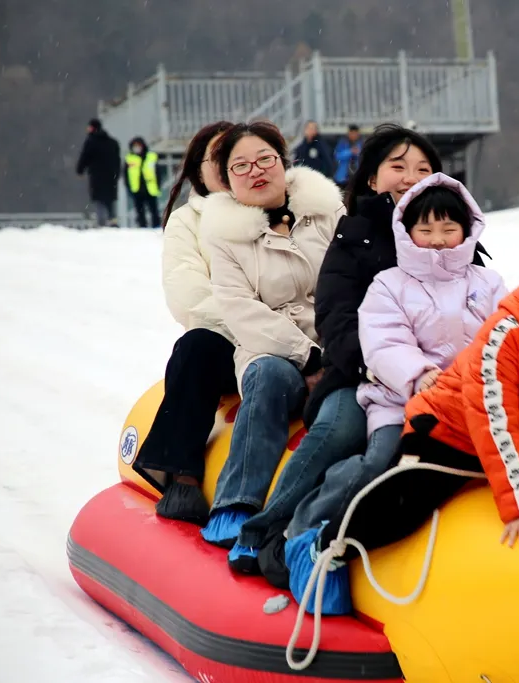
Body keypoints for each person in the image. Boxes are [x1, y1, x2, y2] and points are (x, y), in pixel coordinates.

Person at [284, 240, 519, 615]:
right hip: (451, 431)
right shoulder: (506, 334)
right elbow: (493, 419)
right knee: (403, 504)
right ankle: (325, 544)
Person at [226, 124, 488, 578]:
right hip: (362, 376)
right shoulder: (354, 235)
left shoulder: (459, 243)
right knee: (339, 431)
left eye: (423, 168)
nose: (410, 176)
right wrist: (380, 369)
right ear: (371, 178)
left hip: (446, 388)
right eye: (398, 166)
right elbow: (335, 317)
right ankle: (267, 529)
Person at [197, 120, 344, 552]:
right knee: (269, 380)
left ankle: (315, 521)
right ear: (226, 180)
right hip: (272, 348)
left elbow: (356, 281)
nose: (257, 170)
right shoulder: (223, 237)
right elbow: (242, 312)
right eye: (241, 166)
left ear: (284, 161)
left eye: (265, 159)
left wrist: (337, 351)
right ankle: (236, 503)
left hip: (340, 338)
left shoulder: (328, 211)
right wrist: (309, 358)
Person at [131, 120, 237, 525]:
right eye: (219, 157)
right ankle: (183, 477)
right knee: (196, 347)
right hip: (229, 342)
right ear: (198, 168)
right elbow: (190, 298)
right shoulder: (187, 222)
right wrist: (256, 327)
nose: (231, 165)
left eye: (238, 156)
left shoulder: (283, 212)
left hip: (294, 342)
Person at [76, 119, 121, 226]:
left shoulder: (91, 142)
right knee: (110, 200)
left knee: (99, 200)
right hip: (111, 176)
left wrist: (80, 170)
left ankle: (101, 222)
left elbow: (85, 157)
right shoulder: (112, 142)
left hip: (97, 176)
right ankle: (113, 220)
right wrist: (117, 173)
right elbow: (117, 160)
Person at [125, 136, 163, 228]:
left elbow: (158, 172)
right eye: (135, 146)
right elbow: (126, 175)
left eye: (138, 145)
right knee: (140, 211)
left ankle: (156, 226)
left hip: (150, 188)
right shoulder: (129, 158)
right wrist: (129, 188)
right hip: (137, 189)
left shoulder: (151, 157)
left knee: (154, 210)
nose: (137, 148)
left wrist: (158, 185)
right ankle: (143, 226)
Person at [333, 124, 362, 189]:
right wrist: (350, 152)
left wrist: (358, 153)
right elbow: (337, 156)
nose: (353, 135)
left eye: (355, 133)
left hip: (356, 178)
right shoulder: (342, 143)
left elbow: (365, 157)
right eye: (352, 133)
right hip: (342, 178)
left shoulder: (361, 144)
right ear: (348, 133)